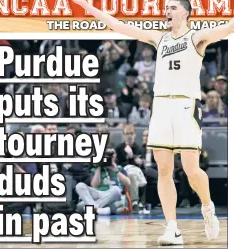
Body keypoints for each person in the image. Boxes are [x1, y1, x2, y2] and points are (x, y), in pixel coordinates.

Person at [73, 0, 234, 245]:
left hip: (186, 105)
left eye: (172, 7)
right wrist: (88, 7)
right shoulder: (159, 38)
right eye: (166, 7)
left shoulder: (197, 37)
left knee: (191, 169)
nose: (167, 11)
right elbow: (118, 25)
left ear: (186, 13)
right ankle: (172, 228)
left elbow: (228, 28)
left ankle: (207, 206)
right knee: (164, 169)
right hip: (161, 106)